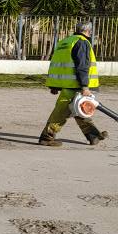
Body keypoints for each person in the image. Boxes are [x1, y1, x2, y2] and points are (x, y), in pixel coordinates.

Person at [38, 18, 108, 148]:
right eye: (91, 31)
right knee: (61, 113)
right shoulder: (82, 43)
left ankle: (93, 135)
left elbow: (56, 65)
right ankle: (46, 137)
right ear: (88, 31)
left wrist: (54, 85)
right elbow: (82, 66)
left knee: (80, 109)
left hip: (66, 85)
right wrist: (85, 86)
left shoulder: (65, 42)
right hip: (75, 85)